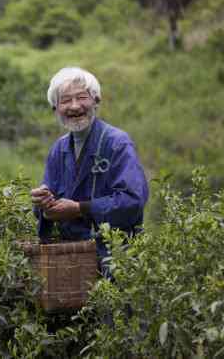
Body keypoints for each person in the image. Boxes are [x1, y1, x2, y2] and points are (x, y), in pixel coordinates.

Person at [31, 67, 149, 277]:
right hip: (72, 266)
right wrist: (43, 204)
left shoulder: (117, 143)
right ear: (55, 108)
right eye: (65, 100)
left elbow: (133, 201)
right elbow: (47, 209)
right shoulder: (58, 150)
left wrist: (79, 208)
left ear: (96, 100)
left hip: (117, 262)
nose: (75, 106)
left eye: (82, 97)